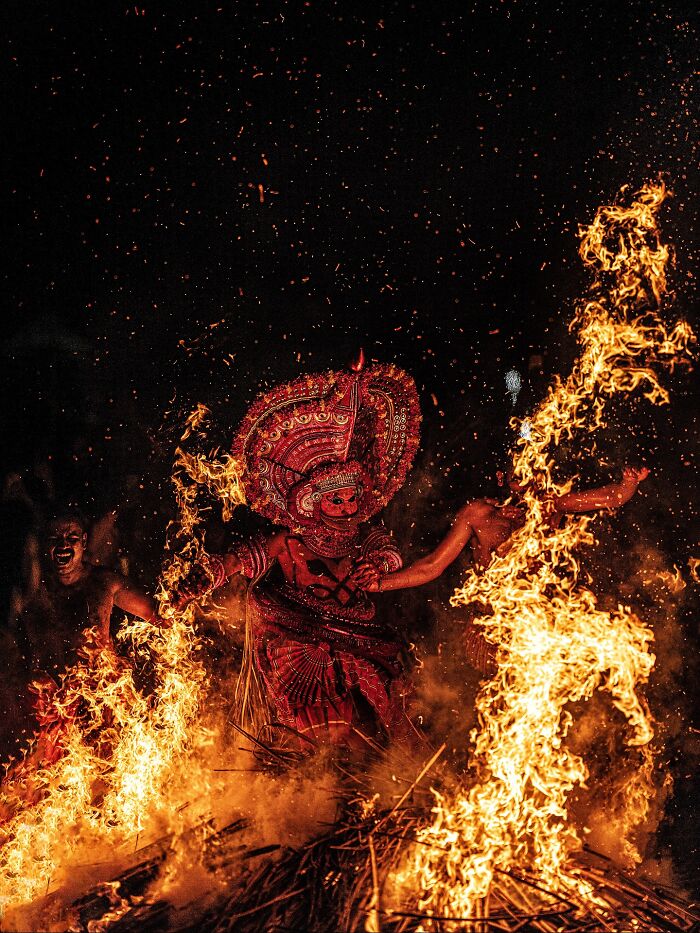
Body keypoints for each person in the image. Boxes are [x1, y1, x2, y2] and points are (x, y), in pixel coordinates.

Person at [176, 358, 423, 749]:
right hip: (300, 647)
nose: (346, 507)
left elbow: (388, 552)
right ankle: (308, 773)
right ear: (314, 503)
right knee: (313, 729)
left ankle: (393, 769)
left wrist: (377, 565)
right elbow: (241, 560)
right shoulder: (290, 540)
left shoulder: (364, 536)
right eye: (336, 499)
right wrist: (207, 577)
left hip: (358, 641)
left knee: (380, 711)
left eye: (352, 498)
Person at [353, 466, 650, 673]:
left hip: (536, 630)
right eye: (518, 474)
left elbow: (612, 498)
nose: (527, 479)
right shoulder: (479, 515)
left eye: (533, 471)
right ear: (502, 478)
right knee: (489, 711)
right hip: (487, 629)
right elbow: (433, 565)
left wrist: (630, 483)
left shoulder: (551, 506)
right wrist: (381, 584)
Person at [17, 509, 158, 681]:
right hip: (49, 699)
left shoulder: (105, 583)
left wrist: (184, 596)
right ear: (45, 544)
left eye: (72, 539)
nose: (63, 546)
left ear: (83, 541)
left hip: (99, 692)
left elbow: (157, 613)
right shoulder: (31, 589)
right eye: (54, 539)